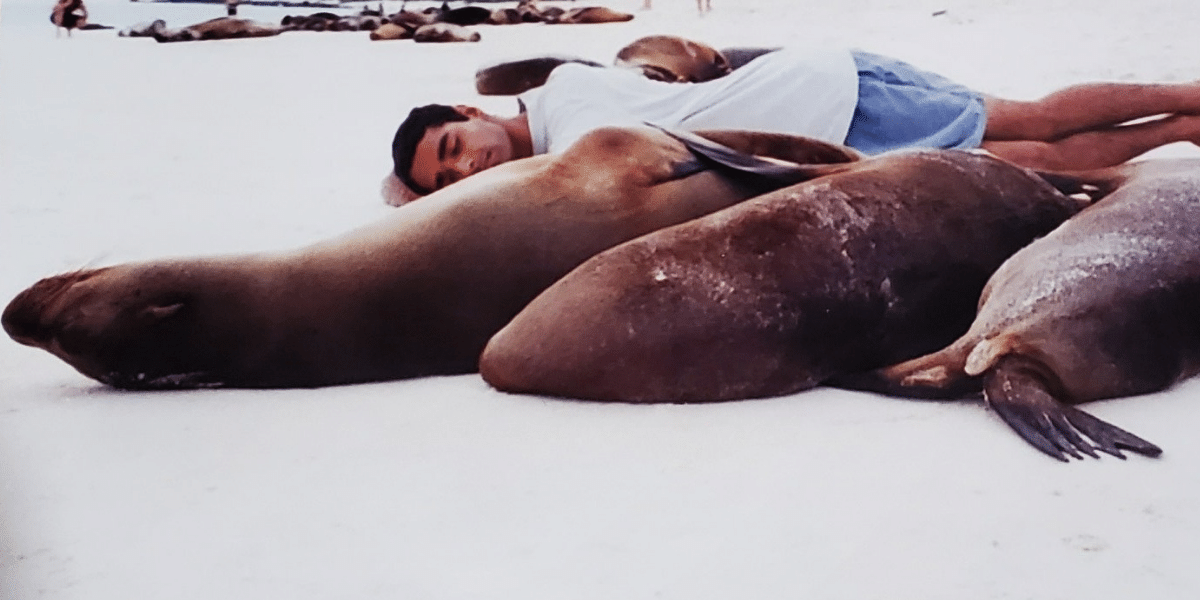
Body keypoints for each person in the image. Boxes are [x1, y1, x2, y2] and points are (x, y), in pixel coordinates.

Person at [389, 46, 1200, 202]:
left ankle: (1186, 94)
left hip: (827, 100)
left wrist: (400, 199)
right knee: (1028, 154)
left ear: (469, 113)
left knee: (1037, 128)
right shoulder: (561, 122)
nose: (467, 169)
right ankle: (1179, 131)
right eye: (448, 179)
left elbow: (598, 164)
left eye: (453, 147)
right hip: (822, 115)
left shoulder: (566, 106)